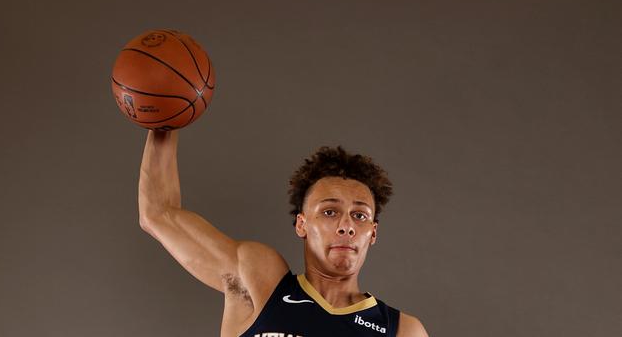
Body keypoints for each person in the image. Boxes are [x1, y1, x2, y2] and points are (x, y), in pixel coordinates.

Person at [138, 130, 429, 337]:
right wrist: (165, 121)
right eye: (330, 212)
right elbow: (159, 214)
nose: (346, 225)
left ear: (372, 233)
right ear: (302, 224)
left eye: (360, 215)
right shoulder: (259, 282)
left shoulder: (402, 330)